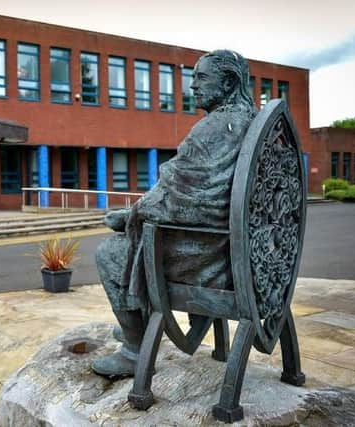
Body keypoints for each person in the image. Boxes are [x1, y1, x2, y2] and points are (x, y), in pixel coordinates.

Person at [92, 49, 257, 378]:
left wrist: (132, 216)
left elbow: (186, 199)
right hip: (242, 251)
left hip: (216, 258)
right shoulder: (247, 122)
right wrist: (137, 212)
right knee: (132, 238)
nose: (193, 86)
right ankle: (134, 327)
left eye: (201, 78)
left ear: (227, 83)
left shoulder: (215, 127)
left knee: (110, 252)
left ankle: (135, 349)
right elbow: (187, 184)